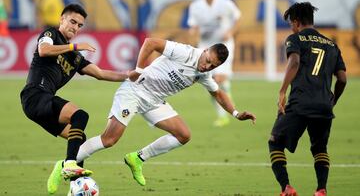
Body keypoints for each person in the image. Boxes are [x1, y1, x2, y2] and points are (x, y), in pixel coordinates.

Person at [75, 37, 256, 186]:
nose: (207, 67)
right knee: (109, 139)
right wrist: (138, 69)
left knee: (183, 135)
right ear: (205, 50)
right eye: (208, 61)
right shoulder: (185, 52)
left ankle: (137, 158)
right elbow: (150, 43)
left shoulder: (203, 74)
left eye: (213, 66)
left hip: (154, 102)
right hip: (135, 91)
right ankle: (67, 163)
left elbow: (218, 93)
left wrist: (235, 113)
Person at [20, 3, 128, 194]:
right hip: (35, 95)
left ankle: (73, 184)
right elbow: (44, 50)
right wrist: (75, 46)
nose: (75, 27)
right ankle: (68, 164)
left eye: (79, 25)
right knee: (80, 116)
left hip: (42, 103)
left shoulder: (76, 58)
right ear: (62, 19)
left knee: (79, 139)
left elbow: (101, 73)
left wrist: (129, 75)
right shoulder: (51, 34)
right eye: (72, 21)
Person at [268, 2, 347, 196]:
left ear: (296, 22)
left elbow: (294, 62)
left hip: (300, 102)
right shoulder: (332, 44)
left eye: (290, 24)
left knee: (275, 141)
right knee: (319, 147)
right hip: (324, 106)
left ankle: (286, 188)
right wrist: (333, 99)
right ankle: (321, 189)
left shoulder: (295, 38)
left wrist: (282, 91)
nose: (291, 28)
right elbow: (343, 79)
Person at [187, 0, 241, 127]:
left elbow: (238, 18)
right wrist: (193, 33)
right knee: (211, 81)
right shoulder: (196, 6)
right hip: (206, 47)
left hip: (224, 46)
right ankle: (224, 114)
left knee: (218, 79)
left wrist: (231, 32)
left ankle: (227, 111)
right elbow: (193, 26)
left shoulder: (225, 3)